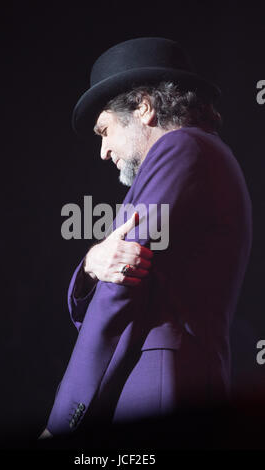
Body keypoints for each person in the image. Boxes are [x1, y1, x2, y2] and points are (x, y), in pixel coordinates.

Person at [40, 37, 252, 439]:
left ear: (144, 107)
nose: (103, 151)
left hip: (159, 384)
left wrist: (62, 420)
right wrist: (90, 263)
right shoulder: (199, 154)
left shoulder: (182, 148)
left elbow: (120, 287)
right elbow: (114, 273)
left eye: (105, 131)